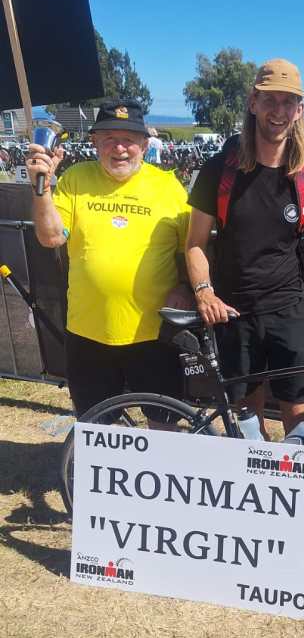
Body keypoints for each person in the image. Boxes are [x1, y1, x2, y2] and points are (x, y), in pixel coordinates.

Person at [185, 58, 304, 436]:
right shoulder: (219, 170)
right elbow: (194, 244)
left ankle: (290, 475)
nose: (278, 111)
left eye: (288, 102)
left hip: (289, 310)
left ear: (300, 110)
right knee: (246, 420)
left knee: (298, 417)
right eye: (270, 100)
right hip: (234, 313)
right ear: (253, 103)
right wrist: (203, 292)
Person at [26, 98, 192, 417]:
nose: (119, 148)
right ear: (95, 143)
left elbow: (192, 248)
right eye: (109, 139)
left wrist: (185, 286)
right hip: (88, 333)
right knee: (96, 426)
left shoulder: (169, 187)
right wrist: (41, 187)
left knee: (165, 423)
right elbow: (51, 237)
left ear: (145, 145)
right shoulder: (76, 179)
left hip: (155, 333)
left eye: (128, 139)